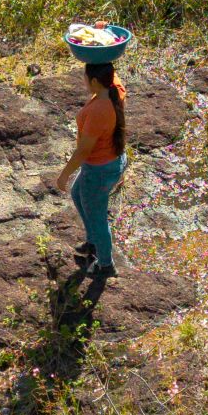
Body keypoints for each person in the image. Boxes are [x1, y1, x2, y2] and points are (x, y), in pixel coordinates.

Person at [49, 56, 127, 277]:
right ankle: (93, 242)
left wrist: (63, 175)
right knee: (77, 194)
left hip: (99, 170)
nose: (82, 79)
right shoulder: (116, 89)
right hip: (113, 161)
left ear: (93, 81)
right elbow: (110, 67)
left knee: (97, 217)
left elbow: (83, 151)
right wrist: (101, 44)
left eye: (84, 76)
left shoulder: (97, 111)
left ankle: (105, 264)